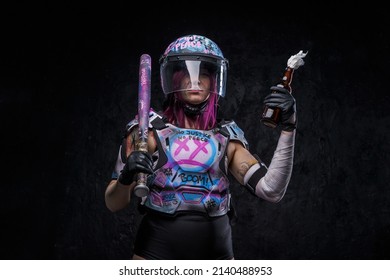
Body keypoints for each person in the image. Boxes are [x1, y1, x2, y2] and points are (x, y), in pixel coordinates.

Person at [105, 34, 298, 260]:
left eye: (203, 74)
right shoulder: (146, 132)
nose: (194, 80)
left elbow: (271, 190)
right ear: (173, 80)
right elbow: (113, 203)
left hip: (217, 259)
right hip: (154, 255)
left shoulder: (227, 138)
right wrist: (126, 176)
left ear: (214, 82)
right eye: (185, 73)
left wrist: (289, 128)